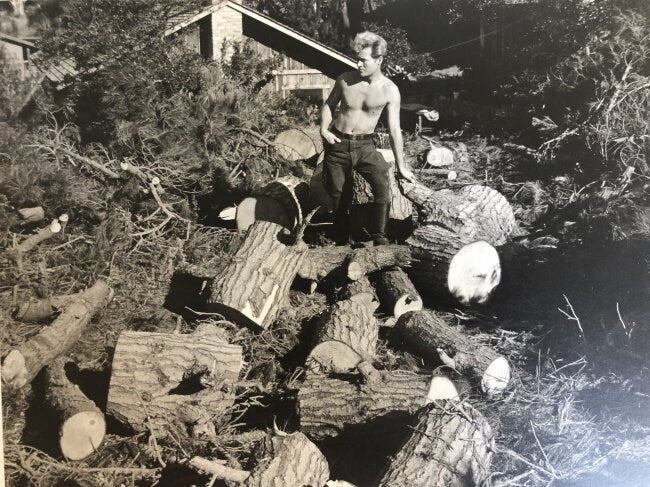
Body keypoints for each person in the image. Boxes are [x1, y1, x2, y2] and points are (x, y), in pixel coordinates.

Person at [320, 31, 416, 246]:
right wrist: (324, 131)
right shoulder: (345, 80)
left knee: (382, 187)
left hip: (366, 145)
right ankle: (342, 242)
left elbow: (394, 129)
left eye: (363, 60)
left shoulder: (390, 90)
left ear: (379, 60)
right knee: (338, 195)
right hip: (338, 143)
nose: (358, 64)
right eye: (357, 59)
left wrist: (401, 166)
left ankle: (379, 238)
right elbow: (328, 105)